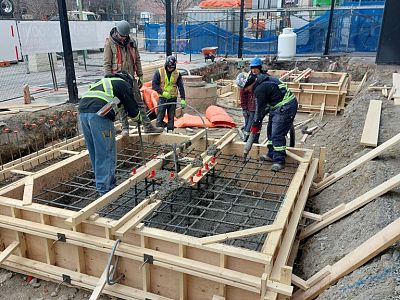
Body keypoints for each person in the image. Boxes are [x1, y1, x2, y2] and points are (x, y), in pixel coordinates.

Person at [78, 71, 141, 196]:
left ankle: (102, 183)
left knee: (95, 151)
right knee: (106, 152)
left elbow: (115, 103)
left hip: (83, 112)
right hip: (99, 114)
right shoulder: (123, 84)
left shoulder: (104, 82)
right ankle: (106, 190)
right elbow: (133, 110)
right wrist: (138, 118)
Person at [103, 20, 162, 134]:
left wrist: (140, 75)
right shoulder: (109, 43)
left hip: (130, 78)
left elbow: (137, 60)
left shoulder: (132, 42)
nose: (123, 38)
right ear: (117, 32)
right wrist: (109, 81)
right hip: (117, 79)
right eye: (121, 36)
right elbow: (107, 64)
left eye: (125, 36)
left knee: (139, 102)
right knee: (120, 104)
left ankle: (147, 126)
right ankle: (125, 128)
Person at [244, 72, 298, 171]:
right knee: (270, 130)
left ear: (249, 84)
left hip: (286, 106)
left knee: (277, 134)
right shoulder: (261, 81)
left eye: (246, 88)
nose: (246, 90)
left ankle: (279, 161)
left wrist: (256, 124)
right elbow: (262, 109)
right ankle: (271, 154)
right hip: (277, 105)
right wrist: (257, 121)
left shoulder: (260, 89)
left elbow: (259, 110)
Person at [152, 55, 186, 132]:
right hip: (162, 98)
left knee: (171, 117)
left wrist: (183, 99)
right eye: (169, 67)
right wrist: (162, 92)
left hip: (173, 98)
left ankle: (170, 131)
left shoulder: (177, 73)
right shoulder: (159, 72)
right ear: (166, 64)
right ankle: (159, 131)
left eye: (172, 68)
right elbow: (154, 85)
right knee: (160, 116)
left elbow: (181, 87)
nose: (171, 69)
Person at [236, 72, 257, 143]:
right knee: (247, 123)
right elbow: (243, 97)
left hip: (254, 108)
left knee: (253, 123)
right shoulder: (243, 86)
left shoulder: (255, 83)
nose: (245, 89)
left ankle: (252, 139)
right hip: (248, 107)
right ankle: (246, 138)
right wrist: (244, 108)